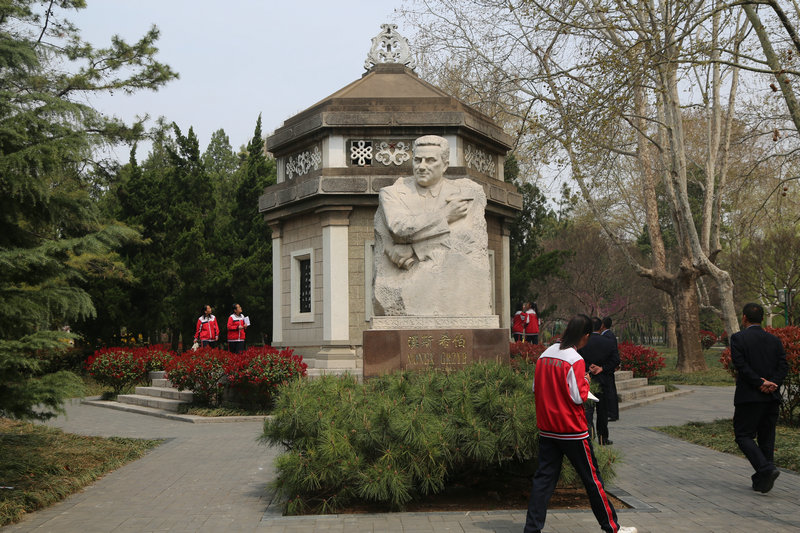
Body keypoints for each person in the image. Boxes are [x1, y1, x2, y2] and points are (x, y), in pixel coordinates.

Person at [524, 314, 636, 533]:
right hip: (571, 430)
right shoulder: (575, 359)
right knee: (592, 480)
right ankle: (612, 527)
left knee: (543, 482)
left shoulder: (545, 354)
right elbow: (578, 397)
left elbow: (535, 389)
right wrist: (585, 380)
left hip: (547, 428)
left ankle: (532, 529)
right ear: (584, 336)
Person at [372, 135, 492, 316]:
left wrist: (412, 248)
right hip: (409, 296)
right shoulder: (392, 193)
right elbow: (399, 229)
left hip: (453, 293)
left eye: (430, 161)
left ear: (444, 165)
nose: (421, 166)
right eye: (417, 160)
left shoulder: (466, 194)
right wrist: (445, 216)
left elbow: (463, 241)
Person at [730, 302, 788, 493]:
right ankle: (763, 480)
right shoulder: (775, 340)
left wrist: (759, 382)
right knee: (767, 437)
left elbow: (741, 366)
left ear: (744, 318)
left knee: (743, 435)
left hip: (749, 397)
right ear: (762, 319)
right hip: (771, 397)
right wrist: (772, 383)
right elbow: (783, 366)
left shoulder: (738, 338)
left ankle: (765, 469)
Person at [579, 317, 620, 445]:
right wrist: (602, 368)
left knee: (588, 410)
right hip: (604, 380)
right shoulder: (608, 342)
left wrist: (588, 367)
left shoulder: (582, 342)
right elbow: (616, 360)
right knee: (602, 410)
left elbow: (577, 358)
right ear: (600, 326)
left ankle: (588, 436)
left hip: (588, 380)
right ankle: (603, 437)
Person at [600, 317, 620, 422]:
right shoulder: (608, 335)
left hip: (607, 368)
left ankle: (612, 413)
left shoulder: (608, 336)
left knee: (610, 392)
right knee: (609, 391)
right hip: (608, 367)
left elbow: (613, 354)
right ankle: (611, 412)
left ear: (603, 325)